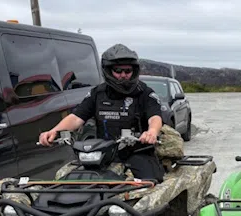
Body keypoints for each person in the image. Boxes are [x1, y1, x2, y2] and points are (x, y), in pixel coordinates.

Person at [38, 44, 165, 182]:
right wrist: (54, 131)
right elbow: (76, 118)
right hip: (103, 154)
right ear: (109, 71)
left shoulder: (145, 93)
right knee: (68, 180)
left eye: (127, 71)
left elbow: (155, 117)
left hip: (138, 152)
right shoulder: (97, 93)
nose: (123, 75)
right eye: (118, 70)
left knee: (151, 182)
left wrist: (152, 132)